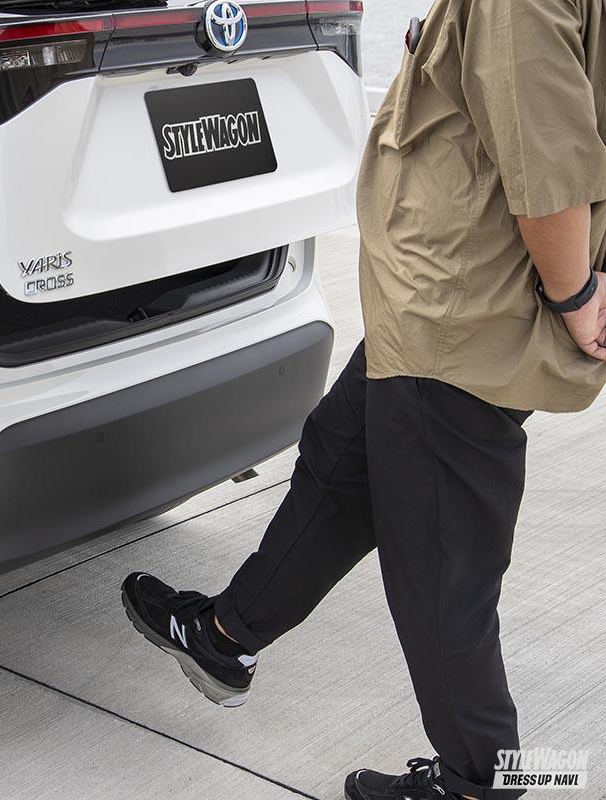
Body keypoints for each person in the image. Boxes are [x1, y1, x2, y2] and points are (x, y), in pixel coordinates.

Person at [120, 1, 606, 798]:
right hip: (432, 297)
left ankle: (484, 782)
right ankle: (225, 637)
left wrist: (576, 292)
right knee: (344, 456)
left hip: (463, 309)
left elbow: (547, 157)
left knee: (442, 573)